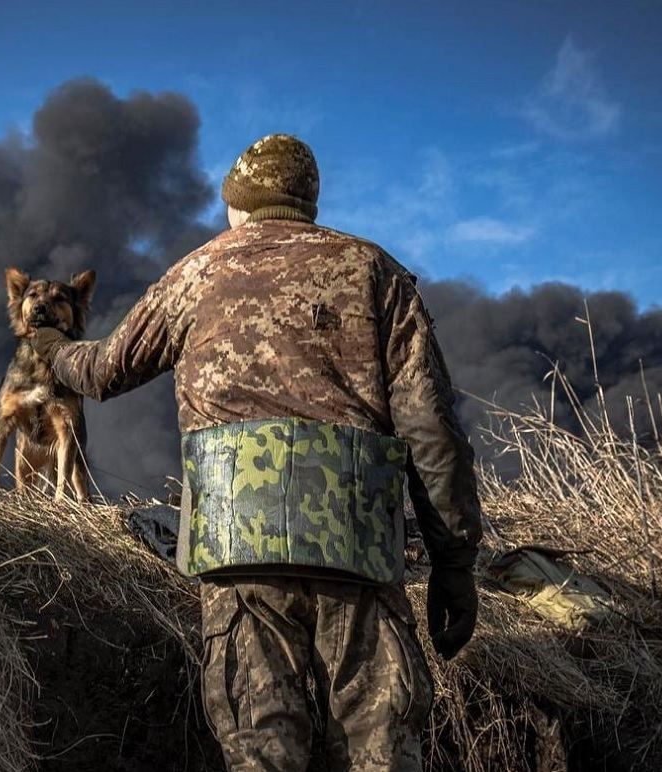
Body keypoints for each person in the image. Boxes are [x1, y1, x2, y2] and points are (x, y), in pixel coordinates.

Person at [30, 133, 483, 771]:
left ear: (236, 205)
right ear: (308, 203)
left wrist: (52, 350)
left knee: (263, 753)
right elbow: (432, 433)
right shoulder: (374, 270)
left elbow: (105, 370)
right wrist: (454, 563)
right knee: (381, 754)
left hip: (238, 555)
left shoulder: (197, 271)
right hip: (356, 554)